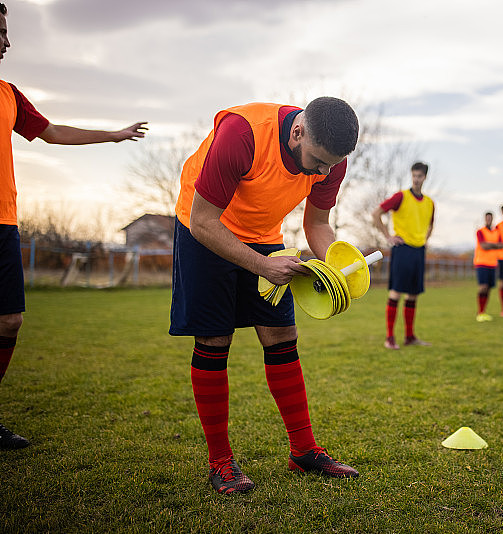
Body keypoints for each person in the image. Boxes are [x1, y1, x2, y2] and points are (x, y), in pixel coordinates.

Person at [170, 96, 360, 494]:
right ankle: (220, 462)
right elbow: (202, 221)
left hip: (263, 233)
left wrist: (337, 267)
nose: (324, 172)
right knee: (214, 339)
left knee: (281, 335)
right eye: (318, 161)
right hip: (205, 228)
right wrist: (261, 266)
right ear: (297, 132)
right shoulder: (242, 134)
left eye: (332, 164)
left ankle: (303, 451)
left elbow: (317, 224)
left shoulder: (332, 160)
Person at [0, 3, 147, 450]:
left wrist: (113, 135)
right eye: (0, 32)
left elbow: (52, 132)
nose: (7, 42)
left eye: (6, 31)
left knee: (9, 322)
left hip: (3, 223)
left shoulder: (9, 94)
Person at [372, 162, 434, 350]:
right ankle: (389, 337)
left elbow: (431, 224)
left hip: (419, 251)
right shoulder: (401, 196)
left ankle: (410, 336)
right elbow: (376, 213)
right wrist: (388, 236)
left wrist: (425, 239)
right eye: (414, 175)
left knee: (413, 295)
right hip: (402, 249)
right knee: (396, 293)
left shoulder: (430, 203)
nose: (416, 179)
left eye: (420, 176)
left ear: (425, 177)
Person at [474, 212, 503, 322]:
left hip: (493, 263)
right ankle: (480, 312)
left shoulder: (497, 232)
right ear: (485, 219)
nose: (489, 220)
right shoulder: (480, 231)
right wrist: (494, 245)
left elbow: (502, 245)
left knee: (489, 289)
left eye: (490, 218)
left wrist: (489, 244)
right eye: (487, 218)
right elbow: (483, 246)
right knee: (483, 287)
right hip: (481, 263)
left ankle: (484, 311)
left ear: (492, 219)